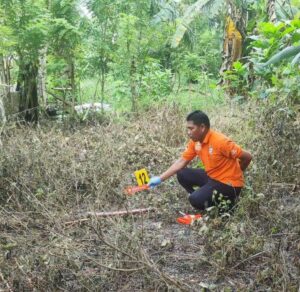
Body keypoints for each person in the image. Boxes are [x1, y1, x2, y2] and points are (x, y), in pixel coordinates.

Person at [148, 110, 252, 211]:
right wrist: (160, 179)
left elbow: (247, 157)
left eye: (191, 129)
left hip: (228, 185)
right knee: (182, 173)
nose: (188, 132)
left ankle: (227, 206)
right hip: (212, 177)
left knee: (195, 199)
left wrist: (236, 174)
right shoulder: (196, 142)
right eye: (187, 129)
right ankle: (205, 195)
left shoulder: (220, 142)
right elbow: (182, 161)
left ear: (202, 127)